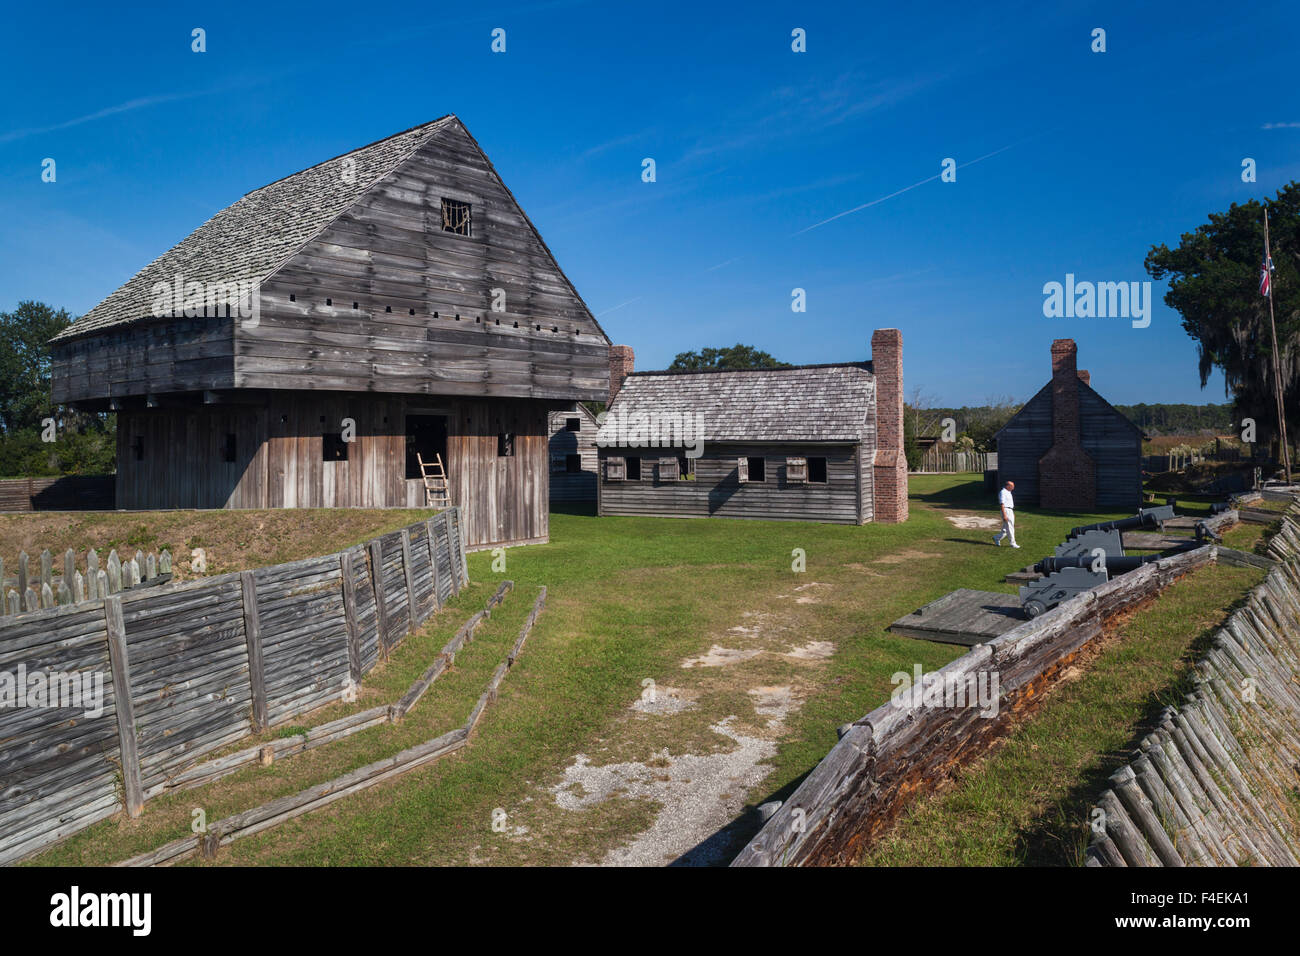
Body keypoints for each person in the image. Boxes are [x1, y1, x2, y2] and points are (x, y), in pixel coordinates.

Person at [993, 480, 1019, 548]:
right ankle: (1013, 543)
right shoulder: (1003, 492)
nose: (1013, 487)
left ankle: (996, 538)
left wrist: (1012, 513)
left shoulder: (1008, 492)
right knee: (1010, 527)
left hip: (1010, 510)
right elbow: (1002, 504)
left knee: (1005, 529)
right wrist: (1005, 515)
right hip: (1006, 510)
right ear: (1008, 486)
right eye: (1012, 486)